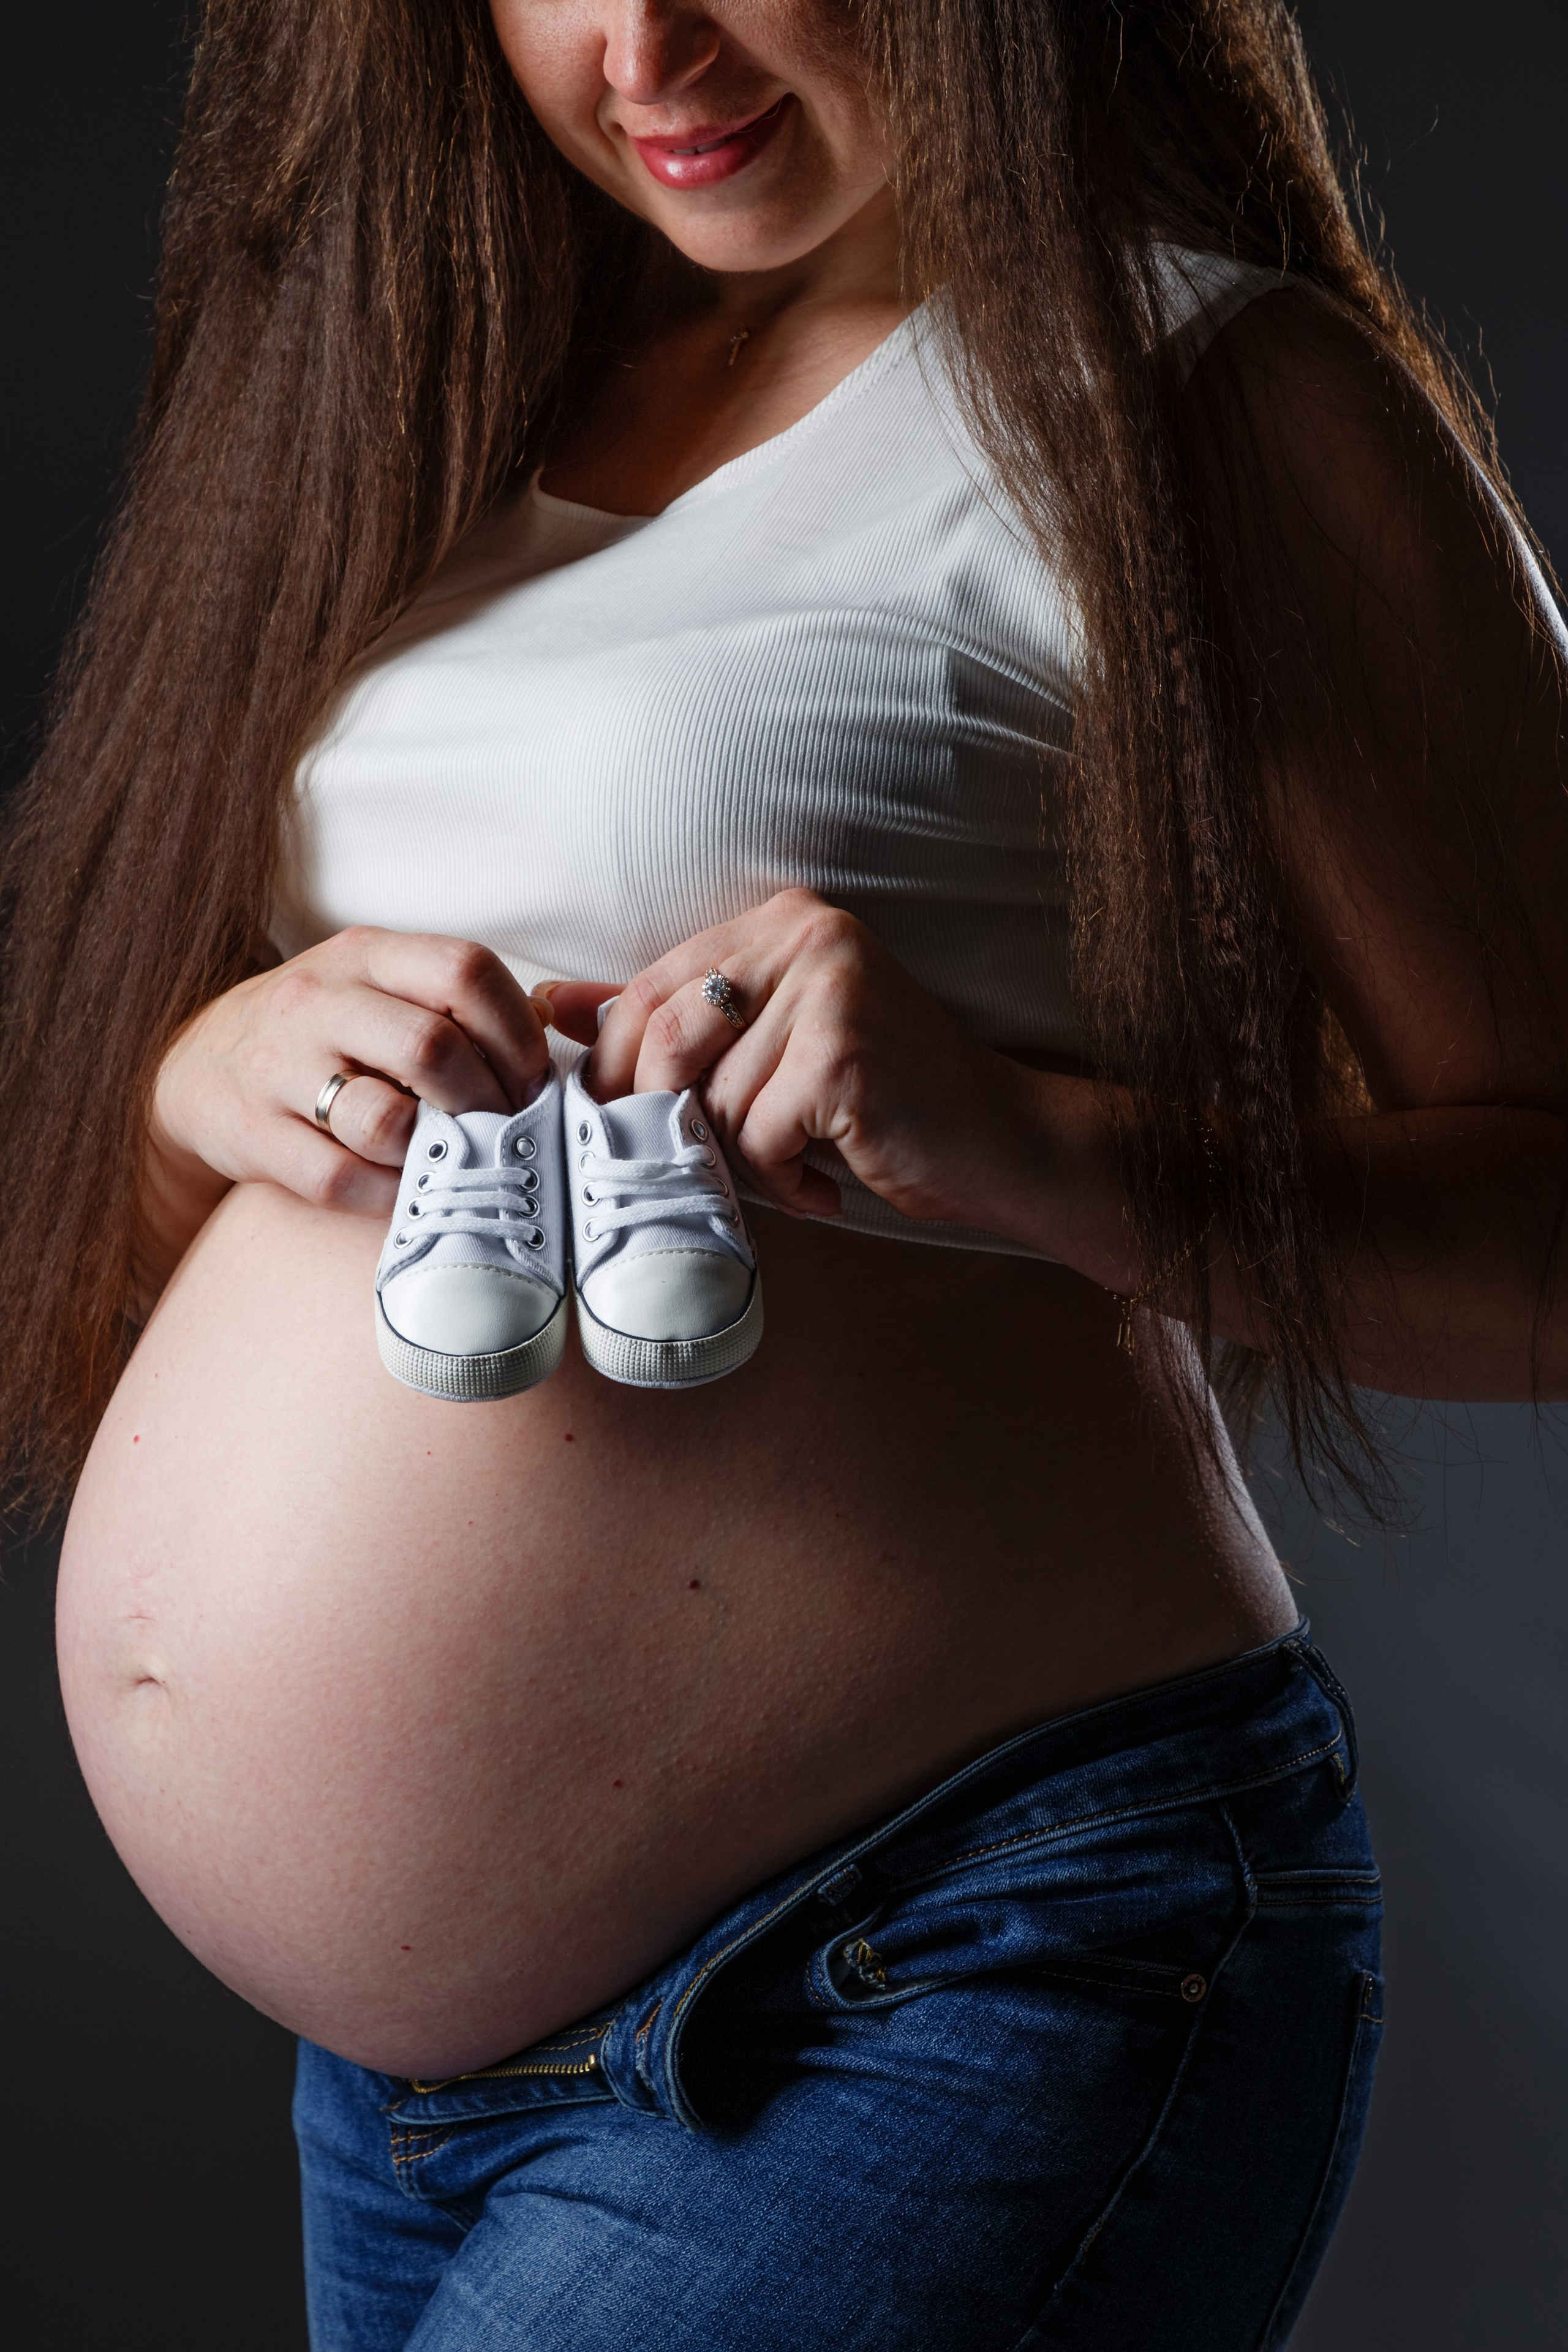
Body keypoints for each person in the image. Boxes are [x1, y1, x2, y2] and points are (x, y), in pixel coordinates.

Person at [4, 2, 1565, 2345]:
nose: (647, 43)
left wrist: (1031, 1142)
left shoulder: (1206, 404)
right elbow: (155, 1287)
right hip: (404, 2087)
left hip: (938, 1966)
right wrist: (205, 1085)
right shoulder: (427, 392)